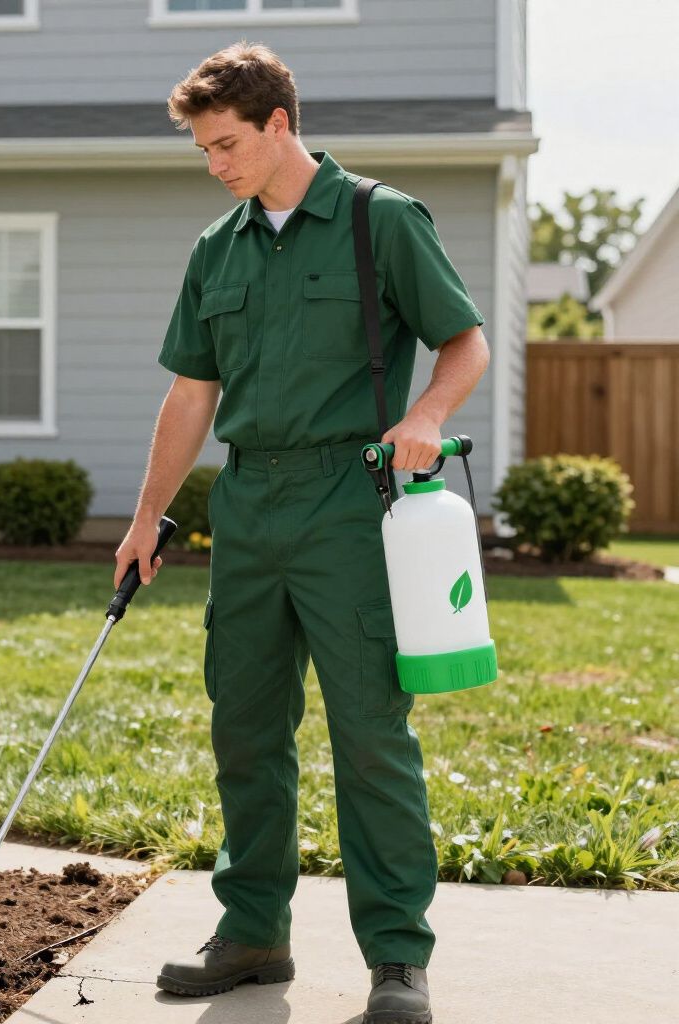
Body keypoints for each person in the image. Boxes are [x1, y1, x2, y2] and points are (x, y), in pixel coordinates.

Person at [113, 42, 490, 1024]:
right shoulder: (216, 248)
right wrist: (148, 514)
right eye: (202, 150)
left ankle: (397, 959)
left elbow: (464, 339)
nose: (216, 164)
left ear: (280, 122)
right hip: (246, 508)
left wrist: (425, 415)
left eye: (226, 143)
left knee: (369, 736)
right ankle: (251, 932)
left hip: (349, 504)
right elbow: (192, 392)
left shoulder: (380, 221)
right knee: (243, 727)